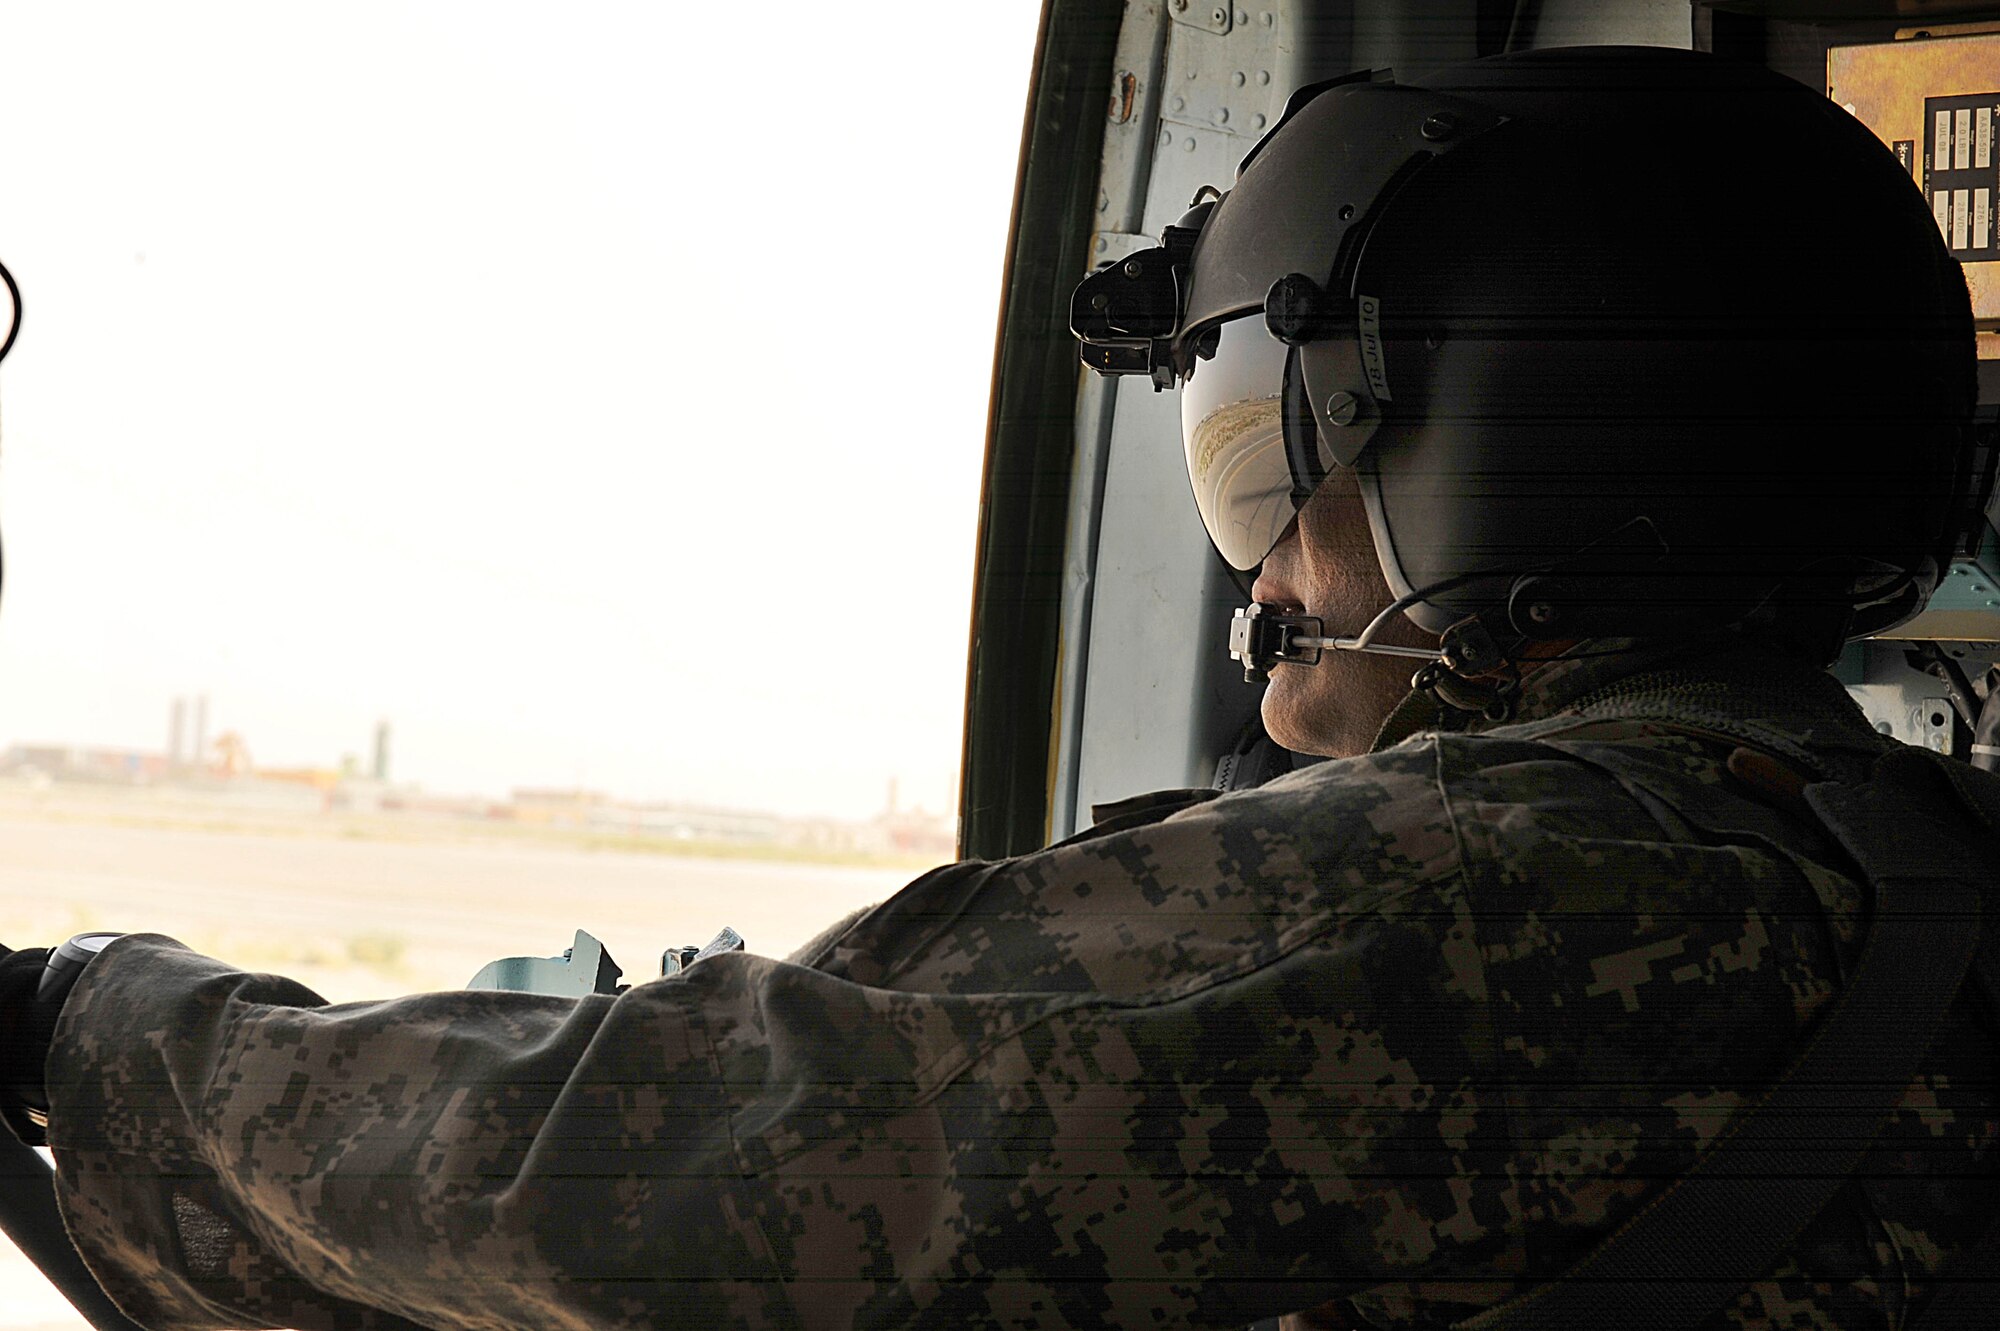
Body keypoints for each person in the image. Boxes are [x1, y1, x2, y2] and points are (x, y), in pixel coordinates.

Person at [4, 44, 1999, 1331]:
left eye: (1270, 454)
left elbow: (679, 1166)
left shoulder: (1498, 893)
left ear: (1496, 451)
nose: (1266, 554)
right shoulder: (1897, 869)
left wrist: (90, 1022)